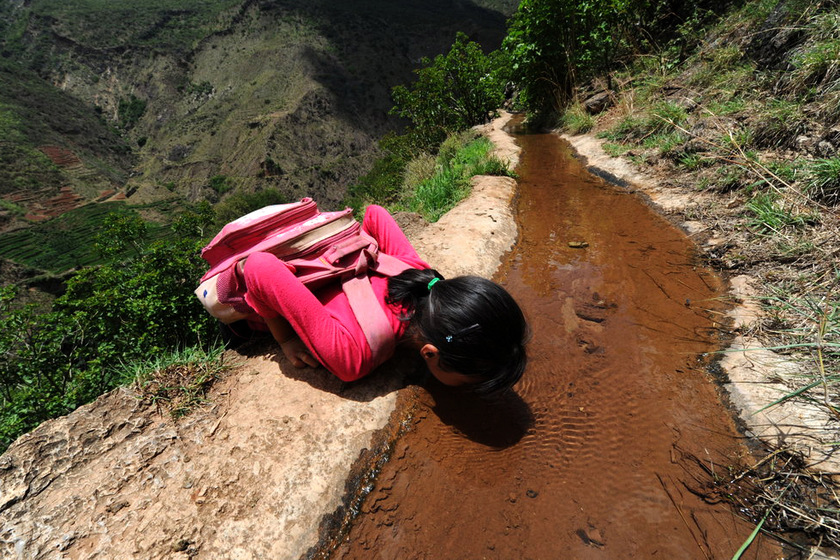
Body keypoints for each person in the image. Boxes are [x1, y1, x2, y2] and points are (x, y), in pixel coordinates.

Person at [219, 204, 528, 394]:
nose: (466, 389)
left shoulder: (420, 274)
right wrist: (285, 339)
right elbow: (259, 266)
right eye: (465, 383)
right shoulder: (352, 358)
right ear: (430, 353)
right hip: (253, 307)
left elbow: (374, 214)